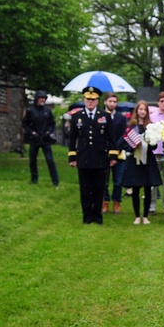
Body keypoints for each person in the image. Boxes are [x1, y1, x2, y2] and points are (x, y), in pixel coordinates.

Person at [67, 85, 119, 224]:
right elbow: (72, 139)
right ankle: (87, 216)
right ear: (84, 100)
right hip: (83, 158)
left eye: (93, 100)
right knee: (85, 189)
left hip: (100, 158)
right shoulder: (77, 117)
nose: (90, 102)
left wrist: (113, 156)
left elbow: (111, 138)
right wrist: (72, 157)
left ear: (97, 101)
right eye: (88, 99)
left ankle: (97, 216)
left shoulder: (104, 116)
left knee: (99, 188)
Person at [120, 101, 162, 225]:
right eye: (140, 109)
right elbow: (124, 143)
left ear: (147, 112)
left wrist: (151, 142)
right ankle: (137, 216)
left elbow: (154, 147)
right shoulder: (130, 127)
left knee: (148, 188)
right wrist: (133, 146)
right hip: (134, 160)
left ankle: (146, 216)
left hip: (148, 161)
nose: (142, 111)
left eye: (144, 109)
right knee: (136, 188)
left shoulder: (151, 126)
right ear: (136, 111)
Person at [22, 89, 60, 187]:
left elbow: (52, 123)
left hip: (45, 139)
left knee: (50, 160)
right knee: (32, 160)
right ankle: (34, 179)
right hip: (34, 139)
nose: (43, 100)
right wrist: (32, 133)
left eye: (44, 98)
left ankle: (55, 181)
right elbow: (25, 124)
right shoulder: (31, 111)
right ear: (37, 99)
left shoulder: (47, 111)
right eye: (41, 98)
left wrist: (49, 132)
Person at [102, 93, 128, 215]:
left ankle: (117, 202)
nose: (112, 103)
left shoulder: (121, 118)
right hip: (104, 153)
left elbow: (123, 135)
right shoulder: (100, 117)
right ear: (105, 102)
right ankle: (105, 202)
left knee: (118, 181)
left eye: (114, 101)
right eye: (110, 101)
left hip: (119, 153)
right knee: (104, 180)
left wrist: (116, 148)